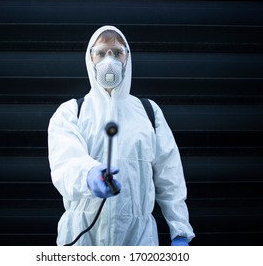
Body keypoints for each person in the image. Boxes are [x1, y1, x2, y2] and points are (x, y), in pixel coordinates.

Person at [48, 25, 195, 246]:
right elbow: (65, 163)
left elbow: (170, 173)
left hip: (138, 239)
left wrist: (180, 229)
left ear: (127, 58)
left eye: (117, 52)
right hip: (83, 238)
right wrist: (88, 175)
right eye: (101, 53)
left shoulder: (149, 112)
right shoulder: (71, 113)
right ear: (90, 59)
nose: (110, 60)